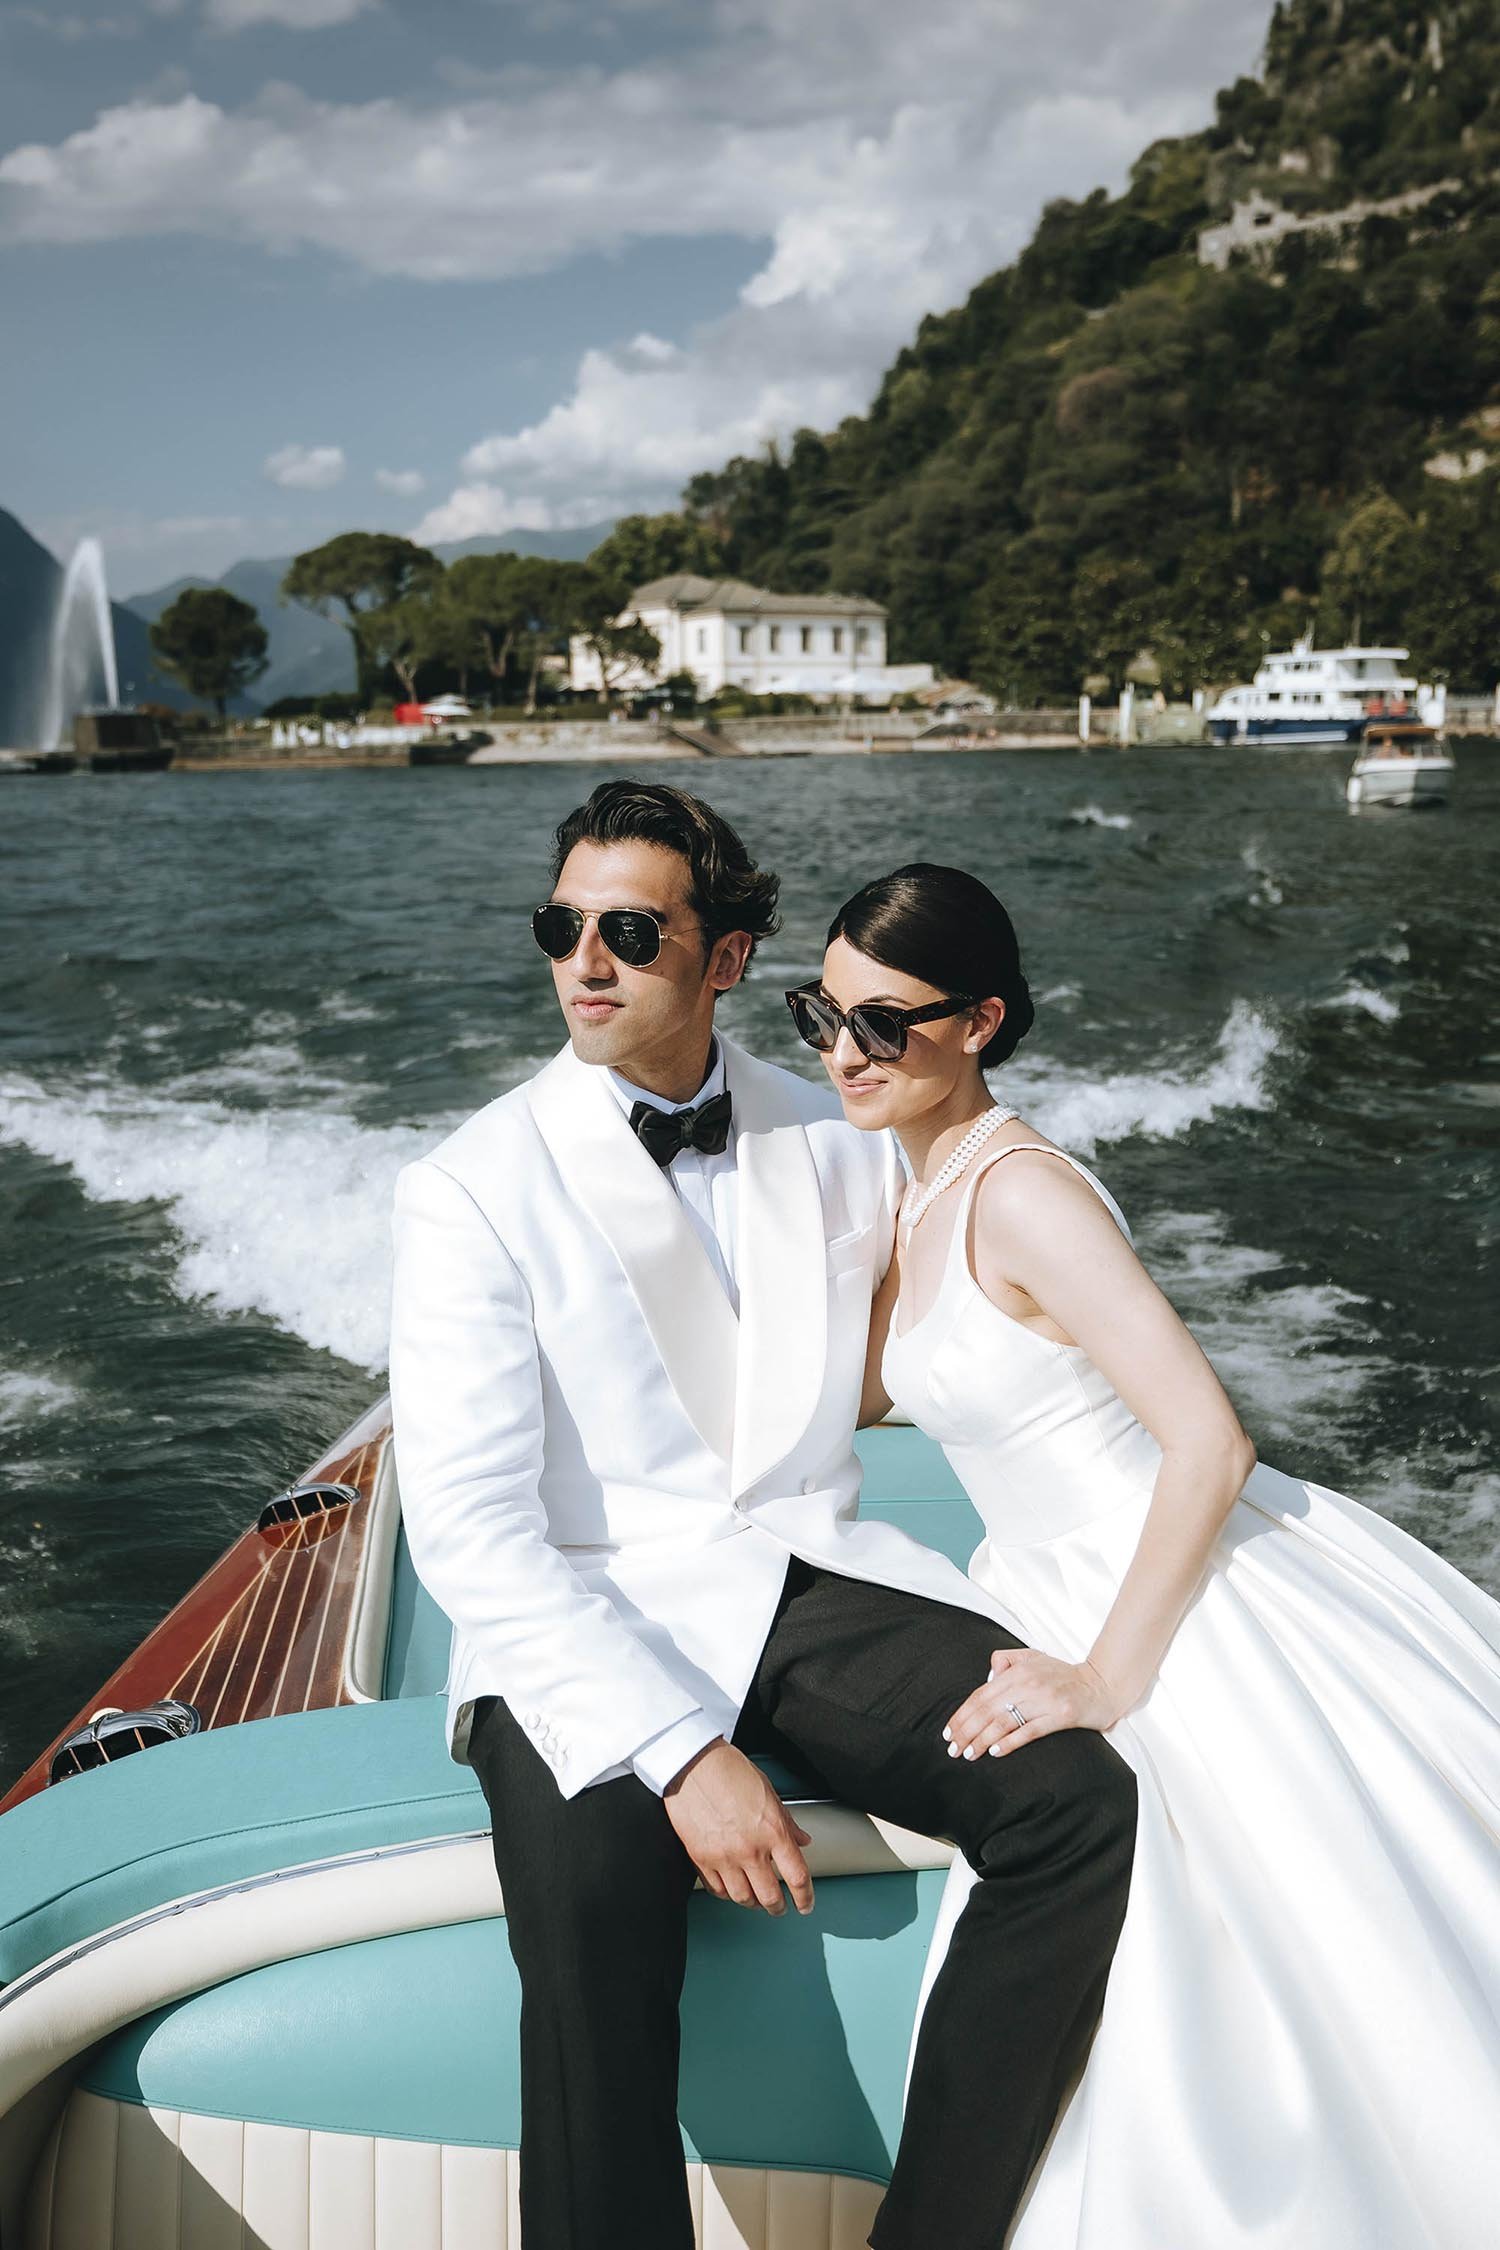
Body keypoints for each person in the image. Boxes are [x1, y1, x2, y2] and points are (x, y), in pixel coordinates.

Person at [387, 785, 1136, 2250]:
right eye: (563, 928)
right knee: (597, 1902)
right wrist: (678, 1754)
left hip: (810, 1576)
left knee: (1073, 1799)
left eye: (629, 930)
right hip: (579, 1620)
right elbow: (474, 1535)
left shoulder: (839, 1123)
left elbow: (982, 1253)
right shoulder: (466, 1187)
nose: (585, 961)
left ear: (725, 958)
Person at [791, 860, 1500, 2250]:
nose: (841, 1052)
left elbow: (1210, 1442)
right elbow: (872, 1383)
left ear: (980, 1019)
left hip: (1159, 1591)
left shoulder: (1024, 1194)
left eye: (884, 1024)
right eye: (820, 1013)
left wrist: (1109, 1677)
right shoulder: (916, 1180)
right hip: (1038, 1570)